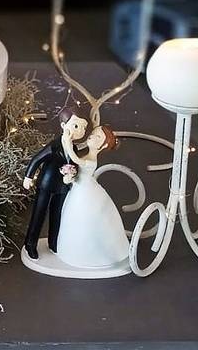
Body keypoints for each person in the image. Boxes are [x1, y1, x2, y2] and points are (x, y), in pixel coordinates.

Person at [54, 125, 130, 269]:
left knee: (87, 218)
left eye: (98, 137)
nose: (92, 136)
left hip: (85, 192)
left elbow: (75, 158)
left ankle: (93, 254)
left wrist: (68, 142)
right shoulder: (87, 155)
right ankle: (72, 250)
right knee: (73, 218)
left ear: (104, 145)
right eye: (93, 133)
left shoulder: (91, 160)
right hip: (78, 190)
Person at [22, 111, 88, 259]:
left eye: (81, 127)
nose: (80, 130)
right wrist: (28, 176)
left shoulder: (74, 149)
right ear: (64, 126)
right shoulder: (54, 146)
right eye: (75, 126)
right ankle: (30, 244)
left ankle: (54, 242)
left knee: (57, 215)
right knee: (38, 214)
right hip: (46, 185)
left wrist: (72, 174)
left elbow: (74, 164)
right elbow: (37, 159)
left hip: (62, 187)